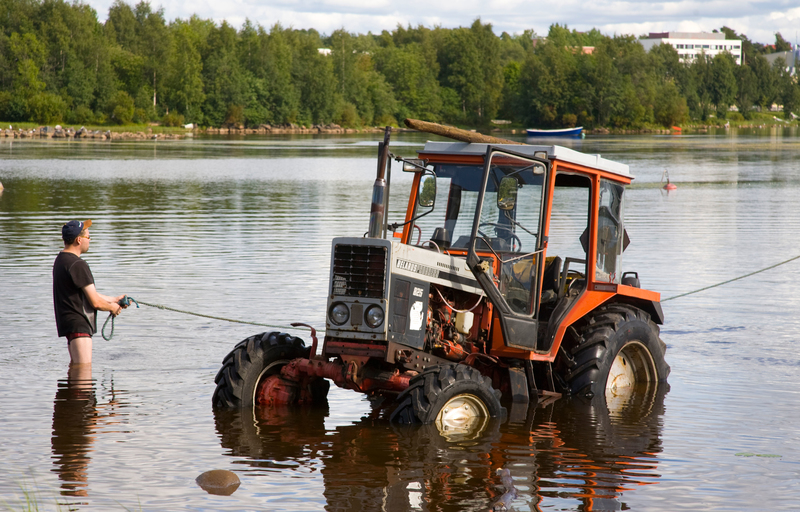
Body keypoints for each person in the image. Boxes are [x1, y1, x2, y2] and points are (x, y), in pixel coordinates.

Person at [53, 220, 127, 364]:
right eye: (88, 237)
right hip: (79, 325)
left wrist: (113, 300)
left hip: (70, 325)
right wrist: (113, 308)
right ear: (79, 240)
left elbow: (86, 294)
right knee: (83, 373)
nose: (90, 240)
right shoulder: (78, 264)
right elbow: (95, 302)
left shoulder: (61, 260)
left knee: (76, 371)